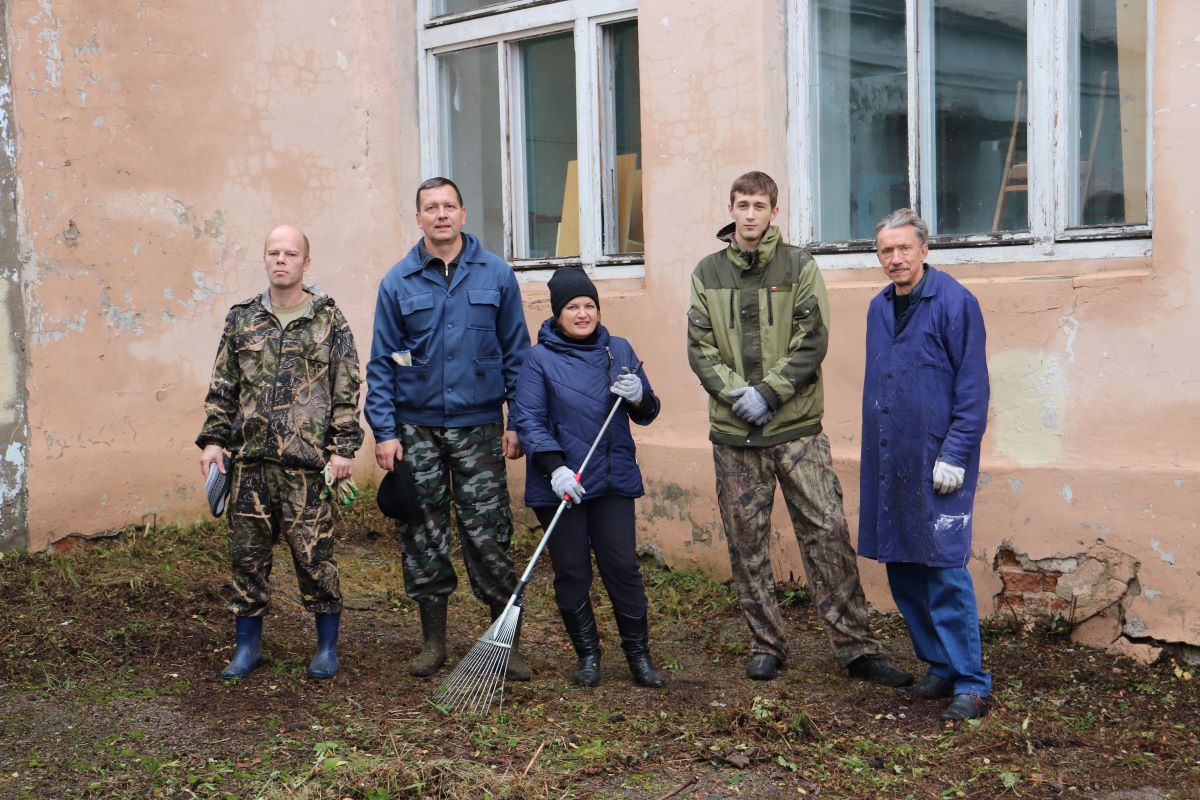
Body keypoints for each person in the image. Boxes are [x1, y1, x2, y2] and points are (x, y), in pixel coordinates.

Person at [686, 171, 911, 686]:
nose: (749, 215)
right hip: (735, 436)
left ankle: (857, 648)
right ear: (731, 207)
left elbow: (813, 339)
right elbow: (700, 347)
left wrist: (768, 393)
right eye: (741, 204)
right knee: (747, 544)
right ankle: (766, 643)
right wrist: (736, 396)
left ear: (773, 211)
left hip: (797, 429)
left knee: (827, 531)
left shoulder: (799, 266)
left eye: (759, 206)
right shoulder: (707, 272)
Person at [365, 177, 531, 680]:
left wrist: (517, 420)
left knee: (489, 535)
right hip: (416, 430)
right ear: (417, 218)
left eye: (449, 206)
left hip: (479, 428)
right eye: (430, 207)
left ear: (463, 214)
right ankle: (433, 642)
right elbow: (381, 364)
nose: (440, 215)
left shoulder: (496, 275)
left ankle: (507, 645)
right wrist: (385, 431)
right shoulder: (398, 282)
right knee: (422, 534)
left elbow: (517, 356)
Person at [197, 225, 363, 680]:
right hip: (250, 464)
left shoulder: (330, 320)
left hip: (307, 466)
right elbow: (222, 387)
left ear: (305, 263)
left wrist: (343, 448)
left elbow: (346, 388)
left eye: (291, 253)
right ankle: (247, 649)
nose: (281, 260)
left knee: (315, 560)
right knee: (246, 560)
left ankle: (326, 648)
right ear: (265, 259)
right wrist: (214, 440)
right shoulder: (242, 319)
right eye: (273, 252)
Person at [859, 209, 991, 721]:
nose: (895, 258)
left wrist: (956, 453)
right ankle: (938, 663)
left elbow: (973, 388)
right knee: (903, 566)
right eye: (886, 251)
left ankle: (972, 680)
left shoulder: (956, 303)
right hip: (891, 458)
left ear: (924, 250)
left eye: (904, 249)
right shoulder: (878, 308)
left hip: (939, 461)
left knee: (943, 568)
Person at [513, 267, 665, 689]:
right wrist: (555, 468)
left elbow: (647, 412)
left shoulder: (620, 350)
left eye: (589, 306)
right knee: (572, 571)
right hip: (563, 484)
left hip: (612, 480)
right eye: (572, 307)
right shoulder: (538, 359)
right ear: (557, 313)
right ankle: (587, 655)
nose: (582, 314)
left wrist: (640, 396)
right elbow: (528, 420)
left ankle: (639, 656)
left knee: (622, 567)